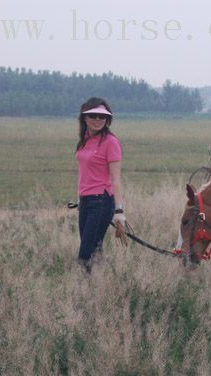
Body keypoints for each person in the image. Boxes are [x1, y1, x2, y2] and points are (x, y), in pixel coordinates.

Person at [75, 97, 125, 273]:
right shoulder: (85, 140)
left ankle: (86, 292)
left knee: (84, 255)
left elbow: (115, 179)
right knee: (95, 249)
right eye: (93, 116)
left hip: (101, 202)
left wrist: (119, 211)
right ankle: (105, 285)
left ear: (107, 120)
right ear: (84, 118)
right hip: (85, 201)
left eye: (102, 117)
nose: (98, 120)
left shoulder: (110, 142)